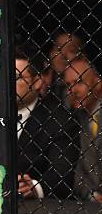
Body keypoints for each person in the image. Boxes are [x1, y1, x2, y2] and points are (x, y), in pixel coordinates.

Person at [15, 47, 80, 199]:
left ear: (37, 82)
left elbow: (62, 172)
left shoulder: (59, 120)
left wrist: (34, 187)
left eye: (17, 77)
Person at [63, 58, 102, 203]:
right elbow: (79, 176)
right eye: (68, 85)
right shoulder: (76, 120)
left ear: (98, 83)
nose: (72, 90)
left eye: (79, 82)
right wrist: (93, 196)